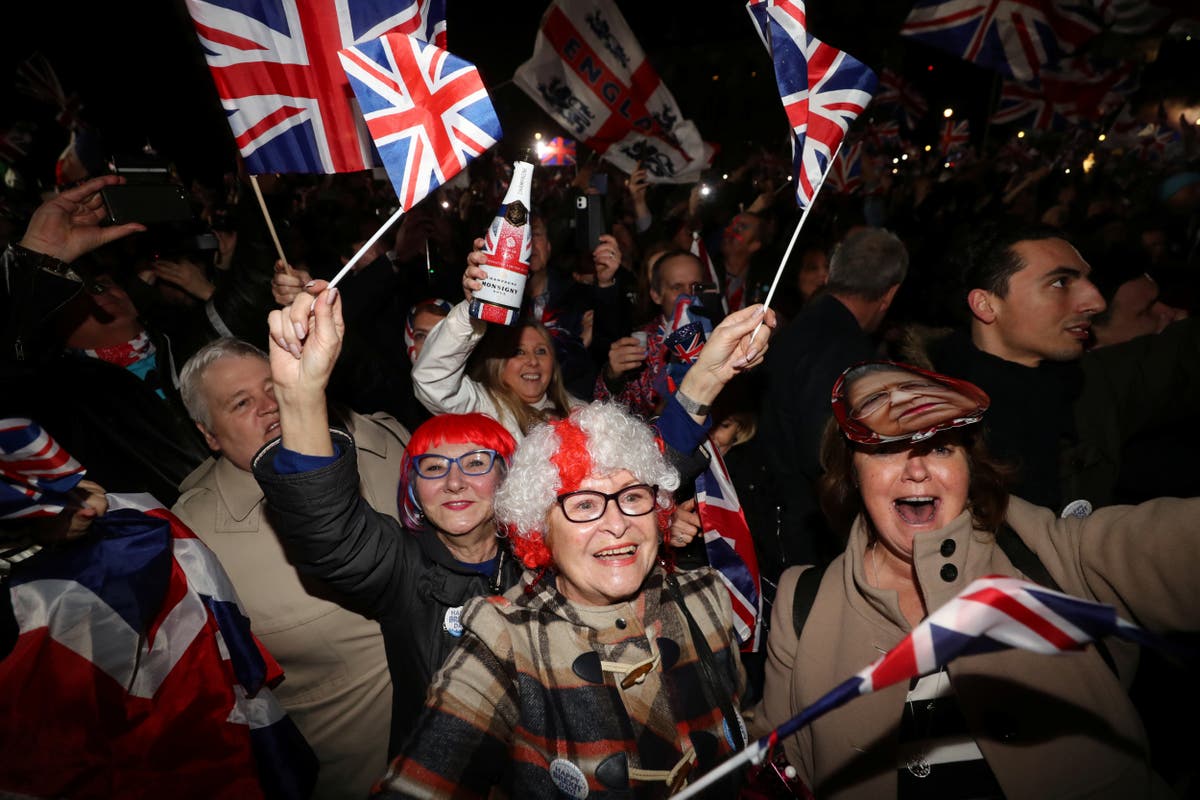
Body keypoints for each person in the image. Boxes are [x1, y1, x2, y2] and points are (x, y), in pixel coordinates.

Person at [752, 360, 1200, 799]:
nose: (917, 469)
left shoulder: (1056, 555)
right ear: (852, 471)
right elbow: (769, 770)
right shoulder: (803, 604)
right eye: (888, 448)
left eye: (942, 447)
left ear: (971, 468)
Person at [374, 402, 749, 798]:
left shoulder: (706, 595)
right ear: (541, 531)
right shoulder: (504, 643)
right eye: (584, 504)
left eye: (634, 496)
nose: (618, 523)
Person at [173, 337, 400, 799]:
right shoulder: (192, 544)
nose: (270, 408)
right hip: (364, 777)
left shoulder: (382, 439)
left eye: (273, 387)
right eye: (241, 403)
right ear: (209, 435)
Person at [758, 227, 909, 568]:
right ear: (889, 295)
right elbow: (825, 455)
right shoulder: (843, 348)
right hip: (808, 535)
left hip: (783, 514)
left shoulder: (807, 325)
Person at [412, 257, 586, 441]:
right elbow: (432, 380)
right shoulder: (483, 409)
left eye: (541, 351)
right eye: (519, 352)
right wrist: (471, 310)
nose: (533, 361)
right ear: (498, 364)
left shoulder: (581, 414)